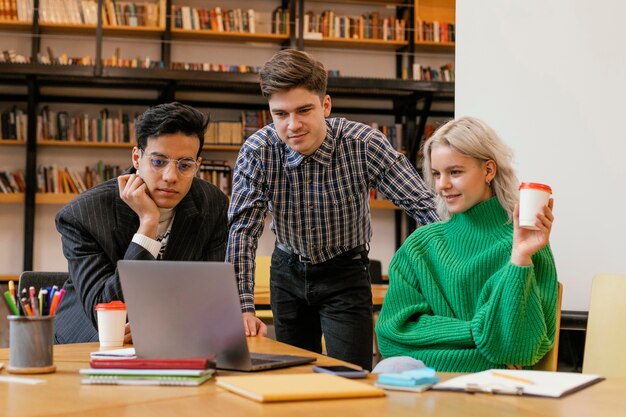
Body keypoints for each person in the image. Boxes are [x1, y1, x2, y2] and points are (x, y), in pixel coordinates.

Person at [227, 49, 439, 370]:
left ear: (325, 105)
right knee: (292, 376)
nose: (293, 125)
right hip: (287, 272)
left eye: (304, 110)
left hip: (345, 271)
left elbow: (423, 205)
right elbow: (243, 231)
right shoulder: (257, 152)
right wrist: (242, 306)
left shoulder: (363, 144)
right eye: (280, 114)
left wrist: (451, 273)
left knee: (348, 375)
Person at [375, 116, 558, 372]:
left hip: (495, 394)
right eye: (437, 174)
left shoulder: (526, 245)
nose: (443, 185)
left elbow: (520, 350)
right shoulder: (419, 247)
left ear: (489, 170)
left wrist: (519, 258)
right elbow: (392, 338)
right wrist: (480, 333)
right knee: (388, 369)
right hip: (428, 386)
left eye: (455, 172)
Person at [54, 102, 231, 344]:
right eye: (158, 162)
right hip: (88, 338)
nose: (170, 177)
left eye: (185, 165)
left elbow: (210, 298)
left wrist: (159, 325)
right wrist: (148, 224)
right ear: (137, 158)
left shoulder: (213, 205)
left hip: (171, 337)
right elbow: (106, 312)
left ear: (197, 166)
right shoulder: (83, 215)